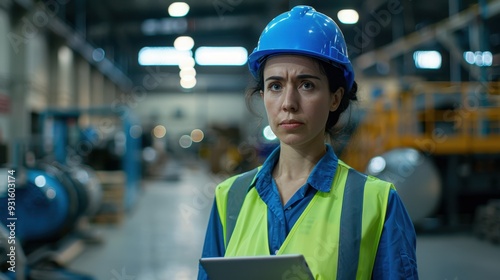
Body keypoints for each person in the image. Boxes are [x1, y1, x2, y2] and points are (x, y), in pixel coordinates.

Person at [198, 5, 418, 280]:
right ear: (263, 95)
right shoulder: (229, 198)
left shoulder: (377, 202)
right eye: (276, 86)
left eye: (307, 85)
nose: (288, 103)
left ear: (335, 98)